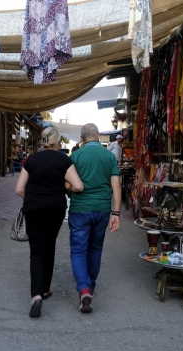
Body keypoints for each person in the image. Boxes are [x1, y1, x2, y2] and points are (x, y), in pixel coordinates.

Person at [15, 127, 83, 318]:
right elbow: (78, 186)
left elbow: (19, 189)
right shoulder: (63, 160)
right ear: (57, 143)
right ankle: (45, 289)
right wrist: (64, 186)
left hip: (34, 208)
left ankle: (36, 296)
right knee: (49, 245)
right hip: (55, 208)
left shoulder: (32, 160)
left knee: (36, 251)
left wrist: (34, 197)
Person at [68, 123, 121, 313]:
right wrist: (116, 213)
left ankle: (84, 289)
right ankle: (91, 286)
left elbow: (68, 183)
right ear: (98, 136)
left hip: (80, 209)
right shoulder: (109, 156)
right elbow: (116, 186)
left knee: (78, 250)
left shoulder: (75, 156)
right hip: (102, 209)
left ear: (82, 138)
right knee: (95, 249)